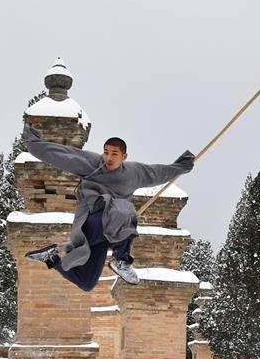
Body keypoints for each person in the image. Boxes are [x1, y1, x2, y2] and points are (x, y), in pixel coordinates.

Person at [21, 124, 194, 290]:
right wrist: (34, 144)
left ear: (124, 157)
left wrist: (181, 166)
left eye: (114, 154)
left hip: (105, 233)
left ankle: (52, 258)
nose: (109, 158)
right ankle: (122, 260)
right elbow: (62, 155)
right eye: (106, 152)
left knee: (87, 282)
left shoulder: (134, 173)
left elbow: (157, 173)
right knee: (123, 209)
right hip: (91, 220)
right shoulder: (92, 164)